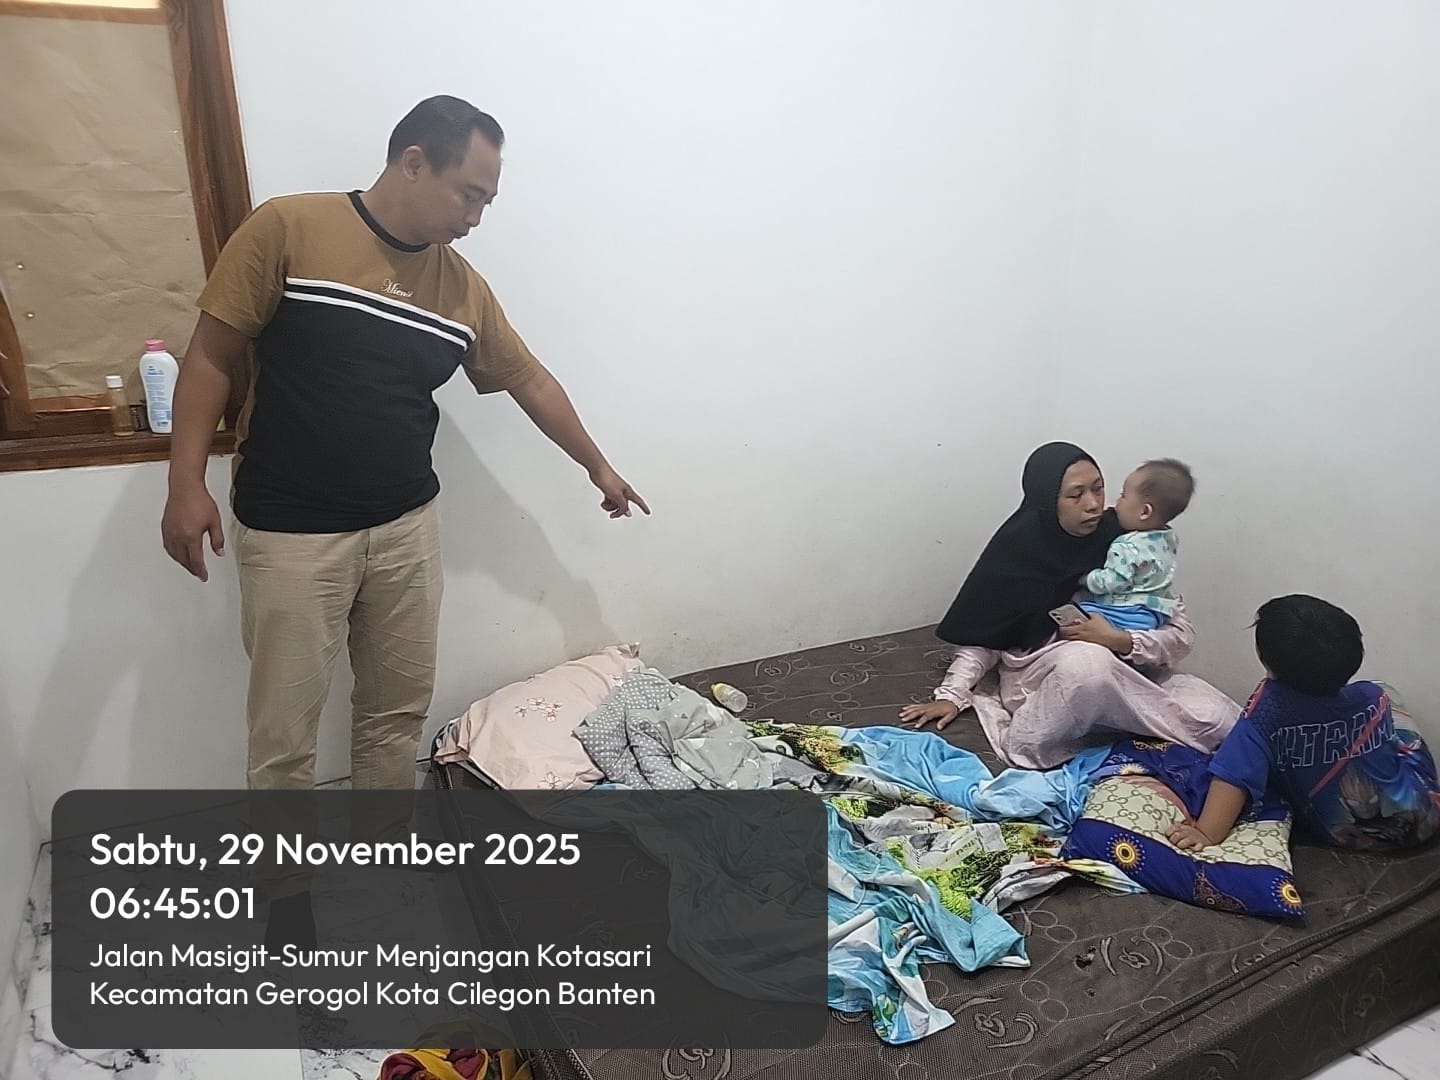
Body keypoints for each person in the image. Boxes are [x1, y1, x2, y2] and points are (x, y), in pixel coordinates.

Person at [159, 97, 648, 932]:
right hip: (290, 533)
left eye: (487, 201)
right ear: (413, 161)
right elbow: (210, 354)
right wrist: (184, 483)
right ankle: (285, 899)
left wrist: (596, 463)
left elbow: (528, 378)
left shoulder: (459, 288)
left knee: (393, 715)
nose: (475, 218)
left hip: (406, 530)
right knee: (284, 732)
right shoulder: (290, 230)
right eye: (469, 194)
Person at [899, 442, 1238, 770]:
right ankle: (1038, 744)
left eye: (1099, 489)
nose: (1093, 505)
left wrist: (1119, 640)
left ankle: (1114, 736)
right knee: (1087, 666)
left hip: (1128, 672)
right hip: (1045, 674)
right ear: (1049, 501)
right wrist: (952, 694)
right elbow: (986, 634)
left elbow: (1180, 634)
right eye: (1076, 495)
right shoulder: (1019, 550)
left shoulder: (1125, 540)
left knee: (1219, 717)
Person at [1169, 595, 1440, 853]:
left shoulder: (1268, 711)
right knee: (1390, 697)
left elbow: (1232, 775)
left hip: (1347, 835)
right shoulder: (1374, 696)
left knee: (1259, 752)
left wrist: (1206, 833)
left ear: (1265, 658)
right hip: (1427, 816)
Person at [1078, 458, 1193, 632]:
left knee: (1080, 610)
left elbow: (1111, 582)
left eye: (1123, 496)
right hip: (1157, 612)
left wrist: (1086, 578)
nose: (1117, 502)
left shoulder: (1126, 546)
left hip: (1127, 611)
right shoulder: (1168, 538)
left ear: (1145, 512)